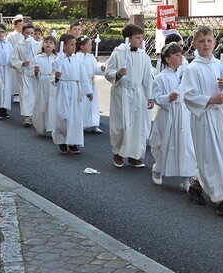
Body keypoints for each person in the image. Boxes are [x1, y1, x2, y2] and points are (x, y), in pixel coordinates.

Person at [183, 26, 223, 218]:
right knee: (211, 156)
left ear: (214, 43)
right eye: (201, 41)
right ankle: (221, 199)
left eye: (208, 41)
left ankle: (195, 185)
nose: (205, 44)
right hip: (204, 116)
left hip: (221, 116)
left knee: (219, 154)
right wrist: (209, 100)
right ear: (194, 45)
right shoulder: (192, 69)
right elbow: (188, 95)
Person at [149, 41, 199, 193]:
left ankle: (186, 179)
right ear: (168, 59)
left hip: (183, 114)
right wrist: (168, 98)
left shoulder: (183, 75)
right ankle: (157, 169)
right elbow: (156, 97)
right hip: (168, 115)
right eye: (177, 55)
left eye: (180, 54)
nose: (180, 57)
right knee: (165, 144)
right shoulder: (160, 78)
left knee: (186, 146)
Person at [105, 24, 154, 168]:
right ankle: (118, 153)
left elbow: (147, 78)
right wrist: (118, 74)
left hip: (137, 93)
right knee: (121, 124)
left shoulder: (143, 56)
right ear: (128, 38)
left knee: (137, 126)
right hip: (121, 92)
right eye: (138, 37)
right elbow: (108, 73)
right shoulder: (117, 53)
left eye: (141, 37)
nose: (141, 40)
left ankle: (134, 155)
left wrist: (149, 97)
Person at [52, 33, 93, 154]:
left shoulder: (77, 60)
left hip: (75, 89)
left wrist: (88, 91)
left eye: (75, 44)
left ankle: (73, 142)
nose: (74, 47)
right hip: (63, 90)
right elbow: (52, 78)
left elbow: (83, 76)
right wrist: (56, 77)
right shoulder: (57, 61)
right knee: (63, 116)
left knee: (75, 117)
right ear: (63, 46)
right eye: (71, 45)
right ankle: (62, 139)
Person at [75, 35, 105, 134]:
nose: (90, 47)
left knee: (93, 104)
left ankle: (94, 124)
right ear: (81, 46)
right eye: (88, 45)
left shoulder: (91, 57)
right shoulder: (77, 57)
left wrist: (101, 69)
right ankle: (81, 124)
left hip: (91, 83)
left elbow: (95, 69)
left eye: (91, 45)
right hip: (81, 83)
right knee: (83, 103)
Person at [10, 23, 37, 127]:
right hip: (24, 73)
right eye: (27, 33)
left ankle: (36, 115)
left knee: (35, 94)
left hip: (35, 73)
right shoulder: (18, 45)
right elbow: (13, 59)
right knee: (25, 94)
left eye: (32, 33)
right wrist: (22, 63)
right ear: (22, 33)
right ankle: (27, 116)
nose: (29, 35)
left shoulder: (38, 44)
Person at [32, 35, 57, 135]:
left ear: (54, 46)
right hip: (42, 83)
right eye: (46, 42)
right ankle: (41, 126)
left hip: (53, 83)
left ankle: (52, 127)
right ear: (43, 45)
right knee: (42, 104)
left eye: (51, 43)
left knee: (52, 104)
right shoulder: (38, 58)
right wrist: (36, 72)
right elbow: (35, 75)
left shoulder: (56, 58)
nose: (48, 44)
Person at [7, 14, 24, 103]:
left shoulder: (24, 35)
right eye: (20, 24)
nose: (22, 26)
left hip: (23, 58)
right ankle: (16, 94)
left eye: (22, 24)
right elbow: (10, 48)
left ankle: (22, 93)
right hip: (15, 57)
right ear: (15, 26)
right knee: (15, 77)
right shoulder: (11, 36)